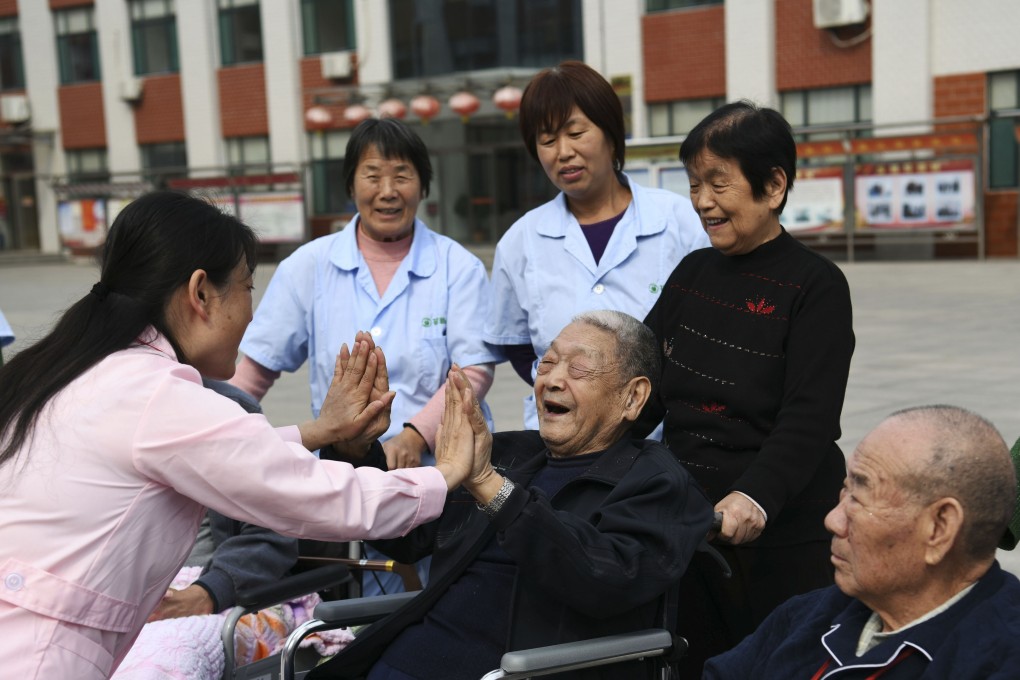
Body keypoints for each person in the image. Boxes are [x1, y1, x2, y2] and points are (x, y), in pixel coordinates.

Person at [0, 191, 479, 679]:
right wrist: (442, 476)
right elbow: (308, 496)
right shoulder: (155, 394)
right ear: (201, 293)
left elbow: (228, 451)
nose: (251, 315)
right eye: (249, 287)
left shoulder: (75, 370)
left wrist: (323, 430)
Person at [309, 310, 715, 680]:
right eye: (549, 363)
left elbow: (603, 582)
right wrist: (354, 448)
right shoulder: (511, 453)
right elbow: (405, 533)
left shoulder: (657, 483)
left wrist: (490, 486)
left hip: (518, 671)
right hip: (400, 660)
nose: (552, 380)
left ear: (633, 397)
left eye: (579, 368)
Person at [231, 118, 500, 595]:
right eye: (372, 175)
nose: (387, 190)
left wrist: (417, 434)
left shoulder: (456, 265)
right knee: (356, 611)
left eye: (402, 175)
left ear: (423, 184)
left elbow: (474, 370)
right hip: (346, 472)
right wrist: (222, 436)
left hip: (442, 475)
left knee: (442, 601)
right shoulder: (309, 266)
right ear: (351, 184)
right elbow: (253, 369)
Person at [636, 100, 855, 676]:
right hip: (689, 526)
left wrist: (755, 497)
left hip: (782, 534)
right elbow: (643, 386)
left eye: (718, 183)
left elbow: (809, 419)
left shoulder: (816, 286)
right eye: (694, 184)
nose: (702, 200)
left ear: (774, 184)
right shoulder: (692, 274)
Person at [704, 405, 1020, 679]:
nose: (833, 521)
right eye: (845, 491)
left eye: (860, 498)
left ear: (939, 527)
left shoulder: (998, 658)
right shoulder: (810, 615)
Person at [484, 60, 709, 429]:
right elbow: (516, 344)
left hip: (664, 435)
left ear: (610, 132)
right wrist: (572, 391)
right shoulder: (521, 240)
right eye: (547, 140)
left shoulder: (679, 222)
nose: (563, 152)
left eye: (576, 133)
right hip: (561, 440)